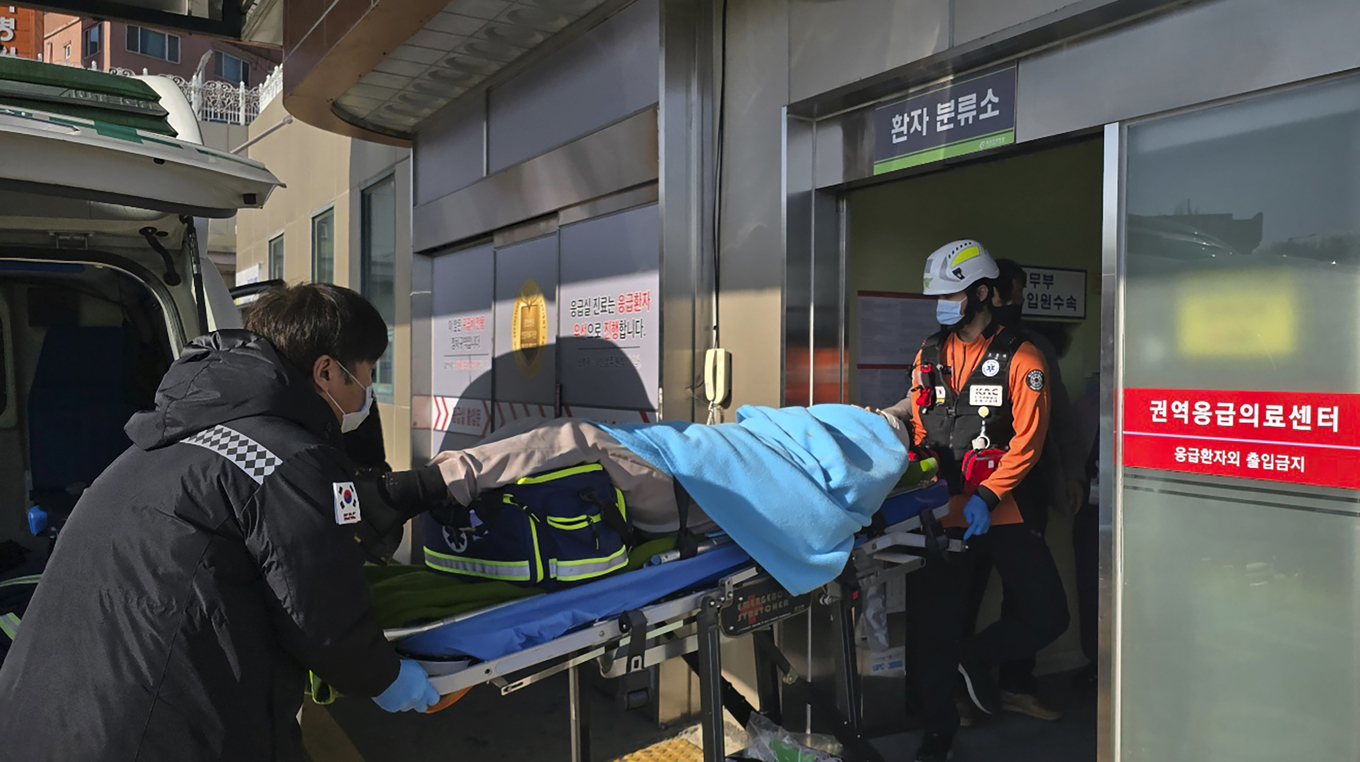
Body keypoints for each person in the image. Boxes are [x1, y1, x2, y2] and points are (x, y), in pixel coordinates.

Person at [0, 283, 441, 762]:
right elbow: (322, 615)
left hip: (46, 713)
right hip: (144, 733)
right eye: (367, 372)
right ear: (327, 370)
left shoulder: (170, 438)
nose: (367, 394)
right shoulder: (289, 458)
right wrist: (386, 679)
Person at [875, 240, 1068, 762]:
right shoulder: (928, 355)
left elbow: (1028, 440)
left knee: (1048, 614)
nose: (943, 304)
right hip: (942, 514)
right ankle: (937, 736)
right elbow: (918, 423)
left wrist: (988, 493)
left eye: (952, 294)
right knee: (936, 625)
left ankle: (975, 657)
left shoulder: (1022, 358)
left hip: (1001, 512)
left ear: (982, 293)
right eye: (937, 296)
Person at [950, 258, 1086, 722]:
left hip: (1021, 496)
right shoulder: (949, 350)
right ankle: (956, 694)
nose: (1017, 303)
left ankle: (1013, 685)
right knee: (962, 594)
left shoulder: (1032, 348)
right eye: (1012, 294)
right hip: (964, 497)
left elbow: (1058, 420)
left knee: (1024, 598)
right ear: (991, 294)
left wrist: (1070, 474)